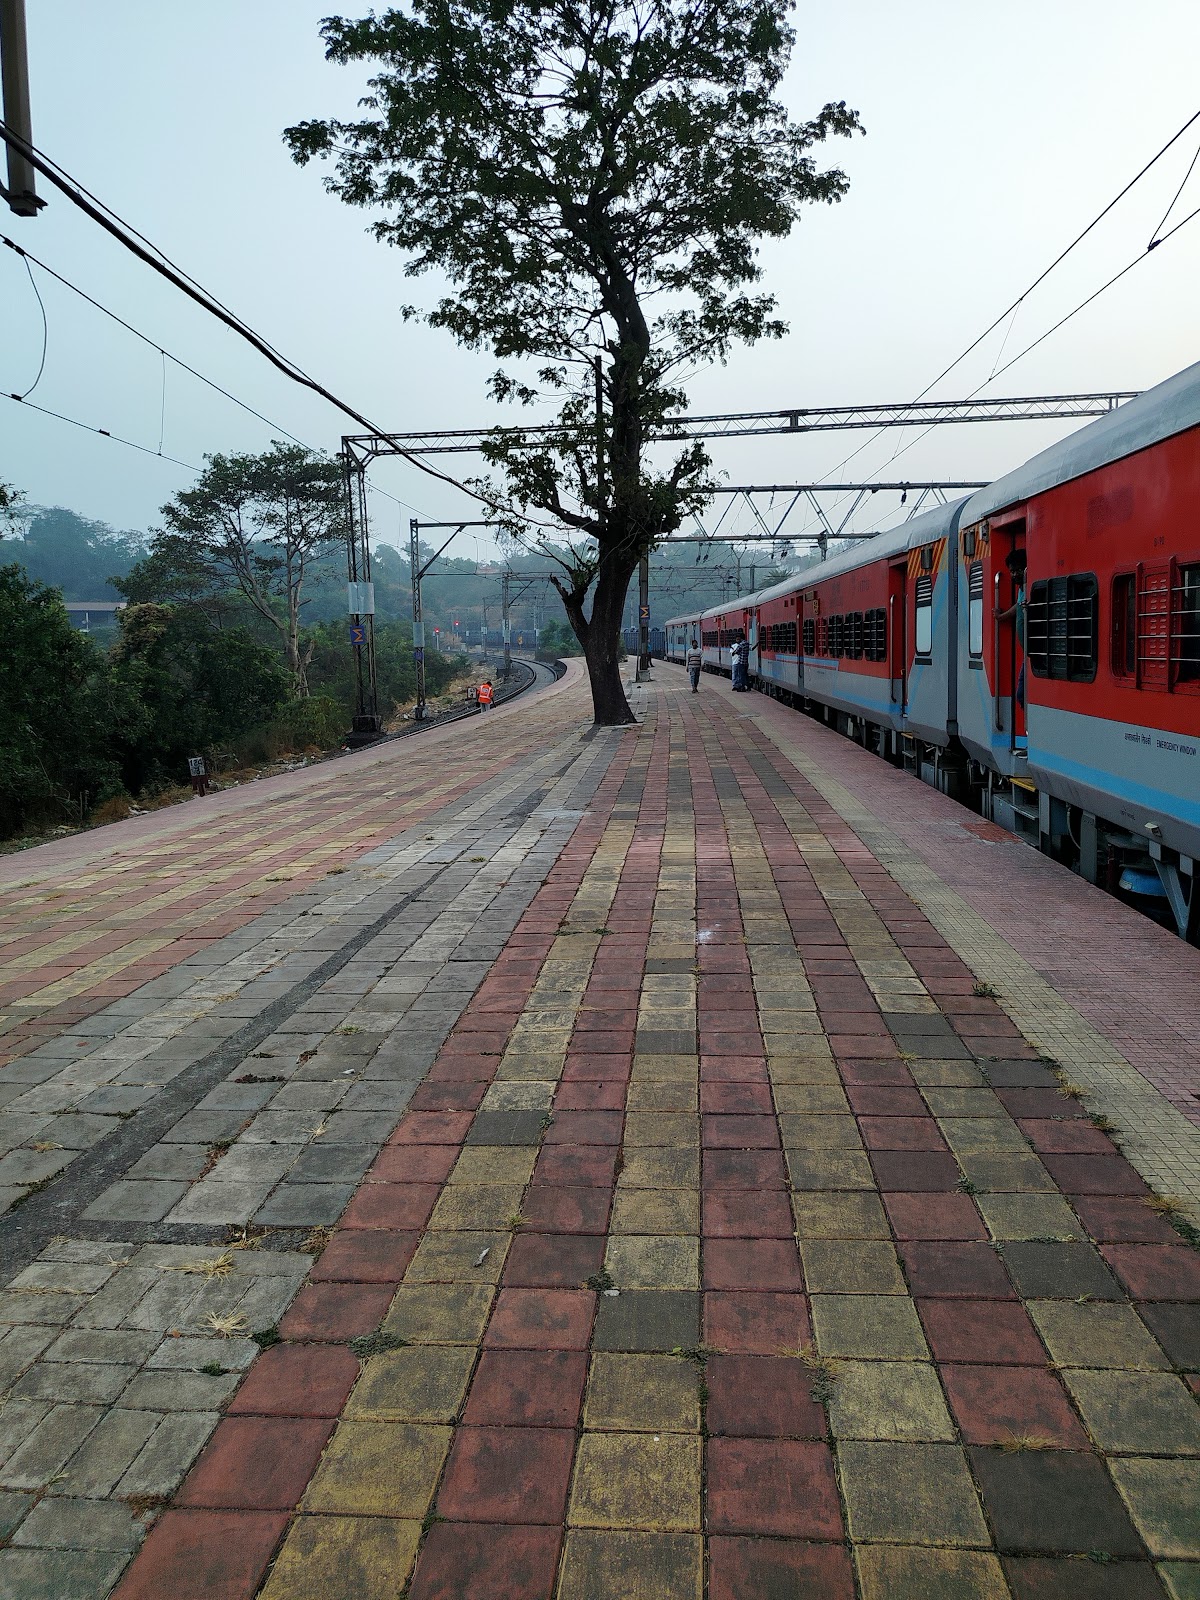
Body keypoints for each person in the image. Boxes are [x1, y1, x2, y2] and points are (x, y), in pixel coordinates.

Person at [994, 549, 1027, 708]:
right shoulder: (1022, 589)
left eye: (1018, 570)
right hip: (1028, 654)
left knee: (1021, 694)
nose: (1014, 575)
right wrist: (1002, 616)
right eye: (1012, 571)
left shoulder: (1031, 586)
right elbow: (1018, 606)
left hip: (1034, 654)